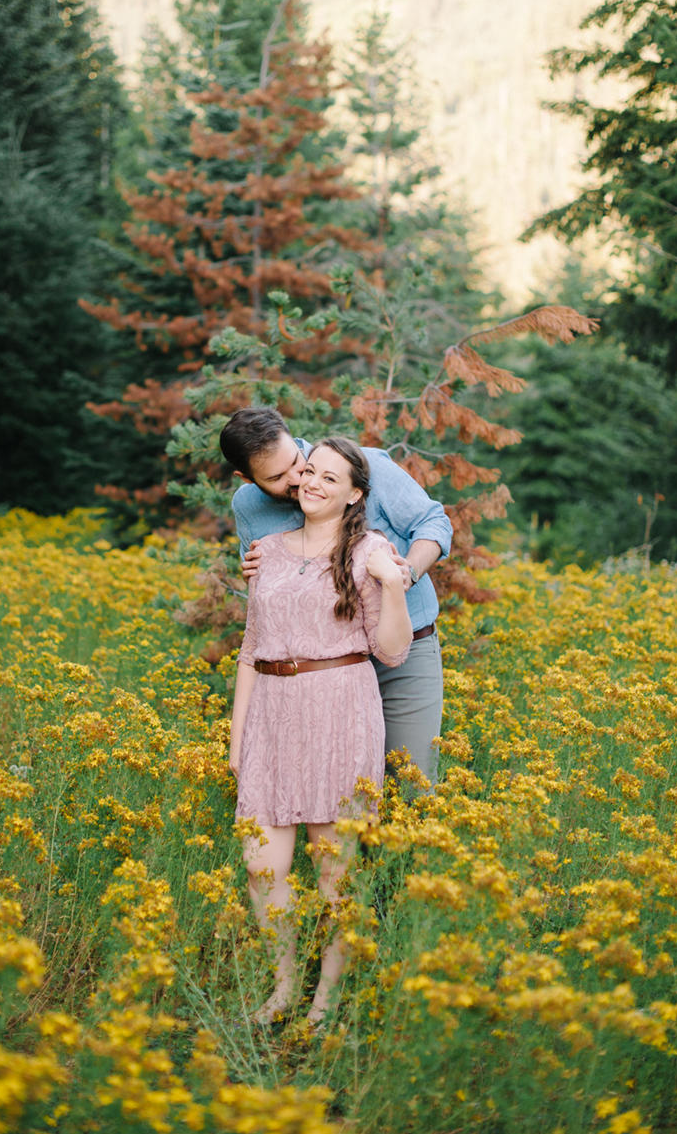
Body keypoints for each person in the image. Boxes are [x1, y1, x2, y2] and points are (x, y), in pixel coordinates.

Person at [229, 436, 412, 1027]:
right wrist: (238, 742)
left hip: (340, 711)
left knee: (336, 875)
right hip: (273, 717)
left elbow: (391, 651)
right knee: (262, 868)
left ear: (355, 494)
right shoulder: (267, 550)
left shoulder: (369, 550)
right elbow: (252, 650)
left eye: (331, 479)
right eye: (309, 472)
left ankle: (325, 1001)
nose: (313, 483)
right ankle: (283, 988)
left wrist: (391, 584)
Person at [219, 407, 452, 783]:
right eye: (277, 478)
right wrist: (250, 569)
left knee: (411, 787)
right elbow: (266, 586)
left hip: (403, 657)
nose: (299, 479)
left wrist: (403, 574)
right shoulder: (248, 506)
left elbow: (435, 523)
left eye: (297, 461)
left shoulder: (366, 464)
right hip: (324, 672)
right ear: (246, 478)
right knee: (337, 794)